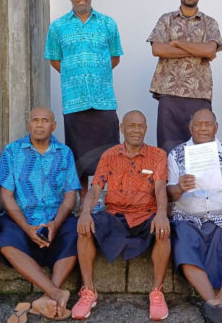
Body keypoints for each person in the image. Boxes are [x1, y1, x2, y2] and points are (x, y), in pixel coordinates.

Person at [71, 111, 170, 321]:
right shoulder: (109, 155)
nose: (137, 130)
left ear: (146, 129)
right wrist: (85, 212)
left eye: (141, 126)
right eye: (132, 126)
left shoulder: (158, 155)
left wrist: (162, 214)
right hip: (114, 215)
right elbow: (96, 189)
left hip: (145, 215)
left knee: (163, 230)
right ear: (122, 128)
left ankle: (157, 292)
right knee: (84, 229)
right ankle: (89, 291)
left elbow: (161, 189)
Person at [167, 109, 222, 323]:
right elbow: (170, 193)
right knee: (183, 248)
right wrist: (179, 188)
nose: (203, 128)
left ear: (216, 127)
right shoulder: (177, 154)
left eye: (208, 124)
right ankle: (210, 300)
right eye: (198, 124)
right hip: (187, 217)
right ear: (190, 128)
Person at [0, 107, 80, 320]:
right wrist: (27, 228)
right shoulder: (12, 151)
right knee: (5, 241)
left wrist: (54, 224)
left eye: (45, 121)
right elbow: (6, 197)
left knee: (76, 234)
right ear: (29, 124)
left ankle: (46, 297)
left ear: (54, 126)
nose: (39, 124)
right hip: (22, 218)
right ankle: (55, 293)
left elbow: (71, 196)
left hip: (55, 218)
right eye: (35, 120)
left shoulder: (65, 153)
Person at [45, 0, 123, 200]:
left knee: (108, 152)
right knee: (78, 155)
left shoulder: (108, 24)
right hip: (74, 100)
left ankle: (108, 199)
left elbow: (115, 57)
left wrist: (96, 75)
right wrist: (75, 75)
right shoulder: (57, 27)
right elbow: (55, 59)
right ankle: (84, 201)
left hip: (104, 99)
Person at [147, 0, 222, 153]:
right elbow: (158, 49)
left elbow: (210, 50)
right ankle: (172, 183)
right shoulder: (166, 19)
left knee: (201, 149)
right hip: (168, 93)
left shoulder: (209, 23)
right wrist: (197, 50)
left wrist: (178, 43)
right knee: (168, 149)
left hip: (199, 94)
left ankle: (199, 184)